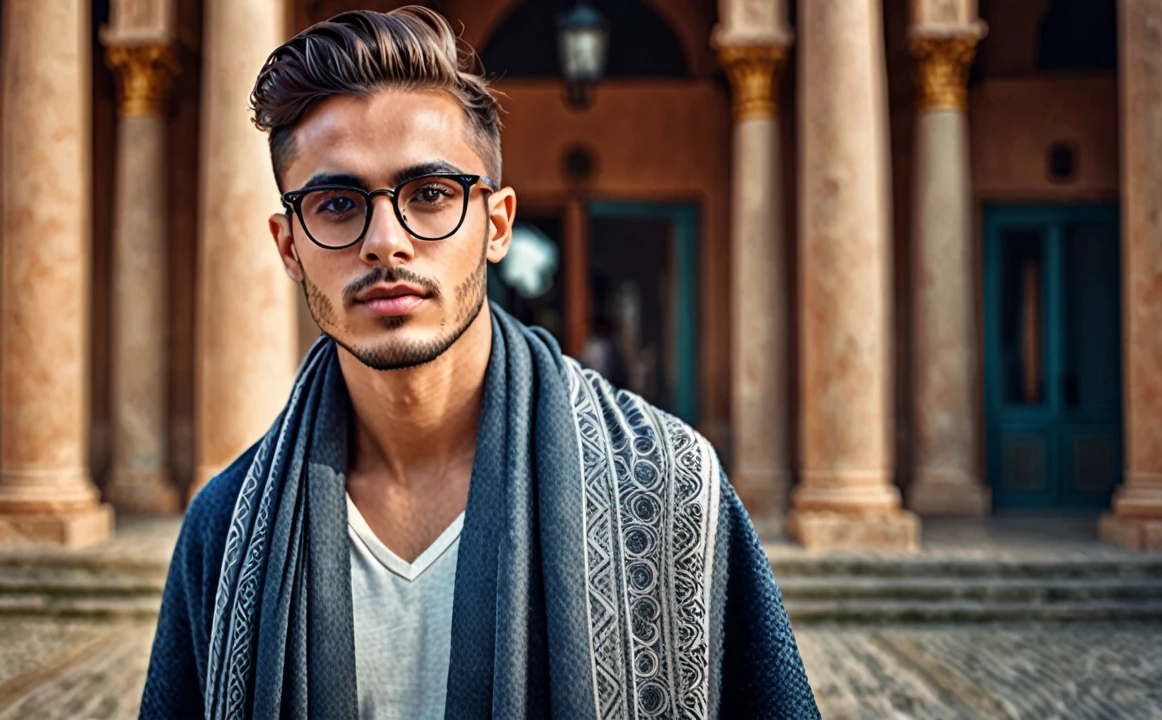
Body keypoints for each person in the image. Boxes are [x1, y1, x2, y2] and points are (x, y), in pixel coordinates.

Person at [139, 8, 818, 719]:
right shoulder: (224, 531)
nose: (385, 242)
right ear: (287, 246)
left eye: (429, 195)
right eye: (337, 203)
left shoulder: (670, 486)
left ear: (495, 225)